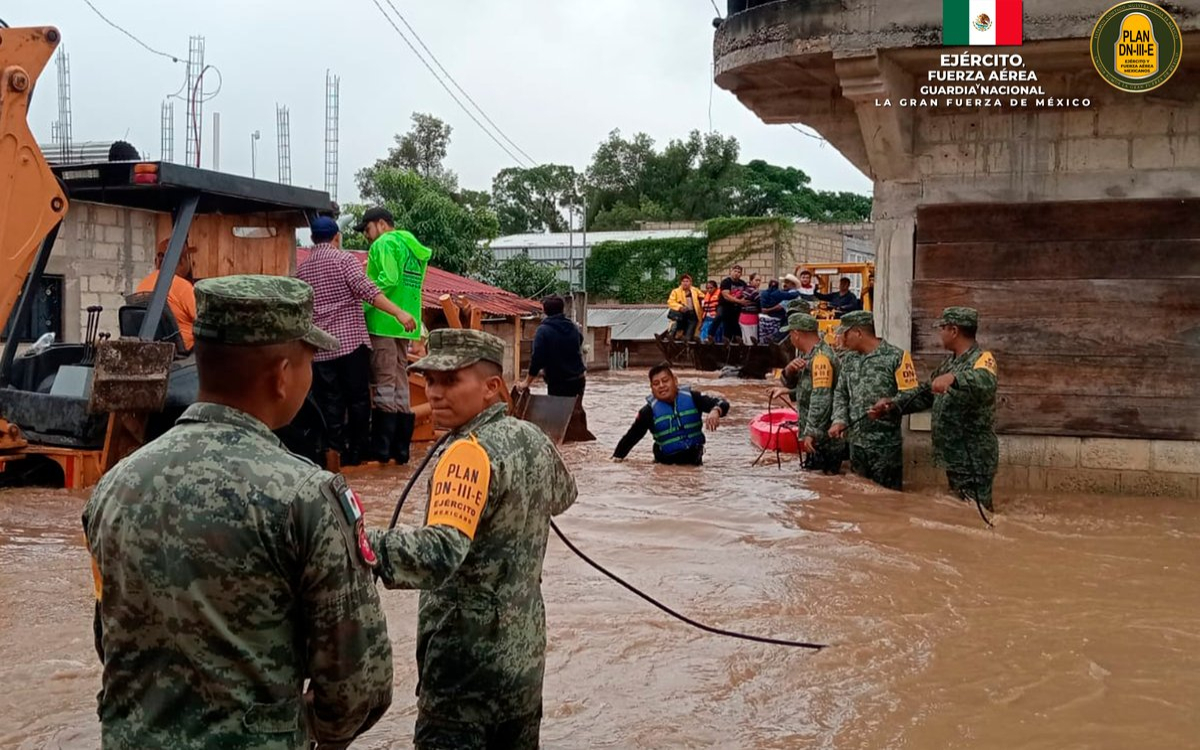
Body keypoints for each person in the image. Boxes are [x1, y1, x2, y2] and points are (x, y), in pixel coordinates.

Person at [83, 275, 394, 748]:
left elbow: (111, 640)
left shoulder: (113, 487)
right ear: (283, 374)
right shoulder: (307, 495)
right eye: (310, 360)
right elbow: (358, 685)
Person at [366, 328, 577, 749]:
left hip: (464, 674)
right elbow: (563, 496)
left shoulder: (465, 453)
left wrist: (364, 545)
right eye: (430, 380)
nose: (436, 393)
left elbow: (440, 553)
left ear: (491, 388)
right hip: (523, 661)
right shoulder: (532, 437)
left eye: (451, 380)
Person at [296, 216, 416, 466]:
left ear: (312, 239)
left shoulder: (303, 270)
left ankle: (334, 452)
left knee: (330, 402)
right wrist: (399, 312)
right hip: (349, 344)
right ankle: (357, 452)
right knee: (358, 398)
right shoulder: (344, 260)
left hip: (320, 350)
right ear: (336, 237)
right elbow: (369, 292)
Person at [870, 307, 999, 510]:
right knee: (961, 515)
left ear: (954, 330)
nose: (940, 334)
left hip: (974, 459)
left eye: (943, 329)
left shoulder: (982, 359)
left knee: (977, 515)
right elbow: (924, 394)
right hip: (955, 457)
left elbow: (985, 381)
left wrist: (955, 378)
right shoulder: (949, 363)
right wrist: (892, 404)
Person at [357, 206, 432, 465]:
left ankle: (383, 450)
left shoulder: (384, 243)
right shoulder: (411, 245)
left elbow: (388, 279)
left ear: (380, 224)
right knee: (401, 382)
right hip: (405, 324)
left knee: (383, 383)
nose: (368, 236)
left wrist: (362, 300)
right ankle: (401, 450)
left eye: (367, 229)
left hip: (383, 321)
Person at [828, 310, 918, 490]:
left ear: (858, 333)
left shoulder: (897, 357)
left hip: (884, 447)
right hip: (856, 445)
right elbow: (841, 393)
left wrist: (889, 404)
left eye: (844, 334)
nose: (841, 339)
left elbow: (913, 395)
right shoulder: (849, 360)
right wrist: (839, 420)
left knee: (888, 502)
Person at [612, 363, 729, 466]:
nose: (661, 386)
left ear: (675, 381)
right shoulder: (647, 412)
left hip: (694, 464)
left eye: (665, 380)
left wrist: (716, 410)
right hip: (664, 466)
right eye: (656, 383)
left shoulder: (693, 398)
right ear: (652, 388)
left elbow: (722, 403)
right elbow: (630, 438)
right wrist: (615, 461)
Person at [771, 313, 843, 474]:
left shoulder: (821, 358)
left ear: (796, 334)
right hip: (819, 434)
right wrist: (789, 385)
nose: (790, 339)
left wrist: (811, 433)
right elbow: (811, 390)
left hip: (824, 439)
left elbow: (822, 398)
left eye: (790, 334)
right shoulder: (808, 355)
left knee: (823, 485)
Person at [135, 237, 197, 351]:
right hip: (186, 353)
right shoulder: (182, 287)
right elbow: (204, 319)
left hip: (155, 350)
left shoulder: (142, 285)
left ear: (156, 261)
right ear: (182, 261)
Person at [518, 295, 587, 398]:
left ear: (545, 311)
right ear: (562, 309)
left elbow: (537, 358)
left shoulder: (543, 330)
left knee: (558, 412)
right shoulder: (573, 327)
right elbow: (579, 341)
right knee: (575, 410)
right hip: (578, 380)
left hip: (558, 383)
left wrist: (527, 382)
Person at [666, 274, 704, 340]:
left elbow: (703, 297)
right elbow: (670, 302)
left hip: (693, 315)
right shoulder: (675, 291)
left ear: (690, 282)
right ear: (681, 282)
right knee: (676, 321)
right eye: (683, 281)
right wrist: (680, 307)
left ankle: (688, 339)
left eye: (687, 281)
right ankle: (676, 333)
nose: (685, 283)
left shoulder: (695, 290)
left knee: (689, 334)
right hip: (682, 315)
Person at [718, 265, 749, 342]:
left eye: (739, 272)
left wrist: (744, 300)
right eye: (735, 271)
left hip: (737, 309)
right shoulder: (726, 282)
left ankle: (737, 344)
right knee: (727, 327)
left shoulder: (743, 283)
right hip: (726, 308)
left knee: (736, 328)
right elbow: (726, 296)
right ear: (731, 272)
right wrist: (739, 301)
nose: (736, 273)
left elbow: (746, 294)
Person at [738, 273, 763, 343]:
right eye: (756, 280)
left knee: (745, 341)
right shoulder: (754, 292)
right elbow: (760, 304)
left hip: (742, 318)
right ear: (751, 281)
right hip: (750, 320)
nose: (758, 282)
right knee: (751, 342)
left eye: (759, 281)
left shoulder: (745, 290)